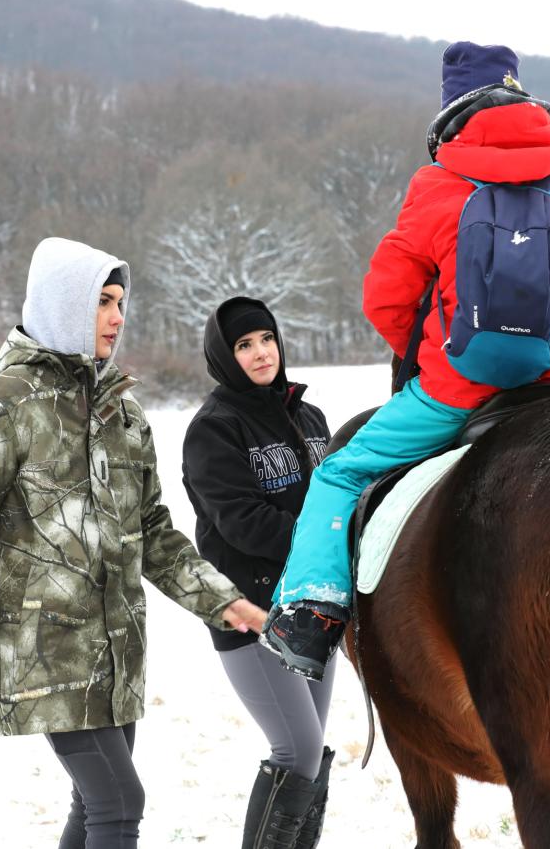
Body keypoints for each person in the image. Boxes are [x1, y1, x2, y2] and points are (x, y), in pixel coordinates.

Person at [262, 42, 550, 680]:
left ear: (451, 114)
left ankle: (312, 613)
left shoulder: (437, 183)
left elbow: (386, 299)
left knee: (340, 475)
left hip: (461, 390)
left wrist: (434, 350)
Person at [0, 237, 268, 849]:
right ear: (63, 303)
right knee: (119, 801)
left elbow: (152, 530)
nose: (117, 317)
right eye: (102, 301)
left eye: (121, 302)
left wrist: (222, 600)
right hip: (44, 648)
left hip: (117, 647)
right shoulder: (3, 407)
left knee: (96, 803)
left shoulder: (121, 412)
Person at [181, 298, 335, 848]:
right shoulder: (213, 430)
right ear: (225, 356)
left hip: (315, 607)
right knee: (297, 750)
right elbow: (243, 523)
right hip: (252, 611)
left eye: (266, 338)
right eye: (244, 345)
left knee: (311, 754)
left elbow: (337, 494)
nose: (261, 352)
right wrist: (328, 538)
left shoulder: (309, 418)